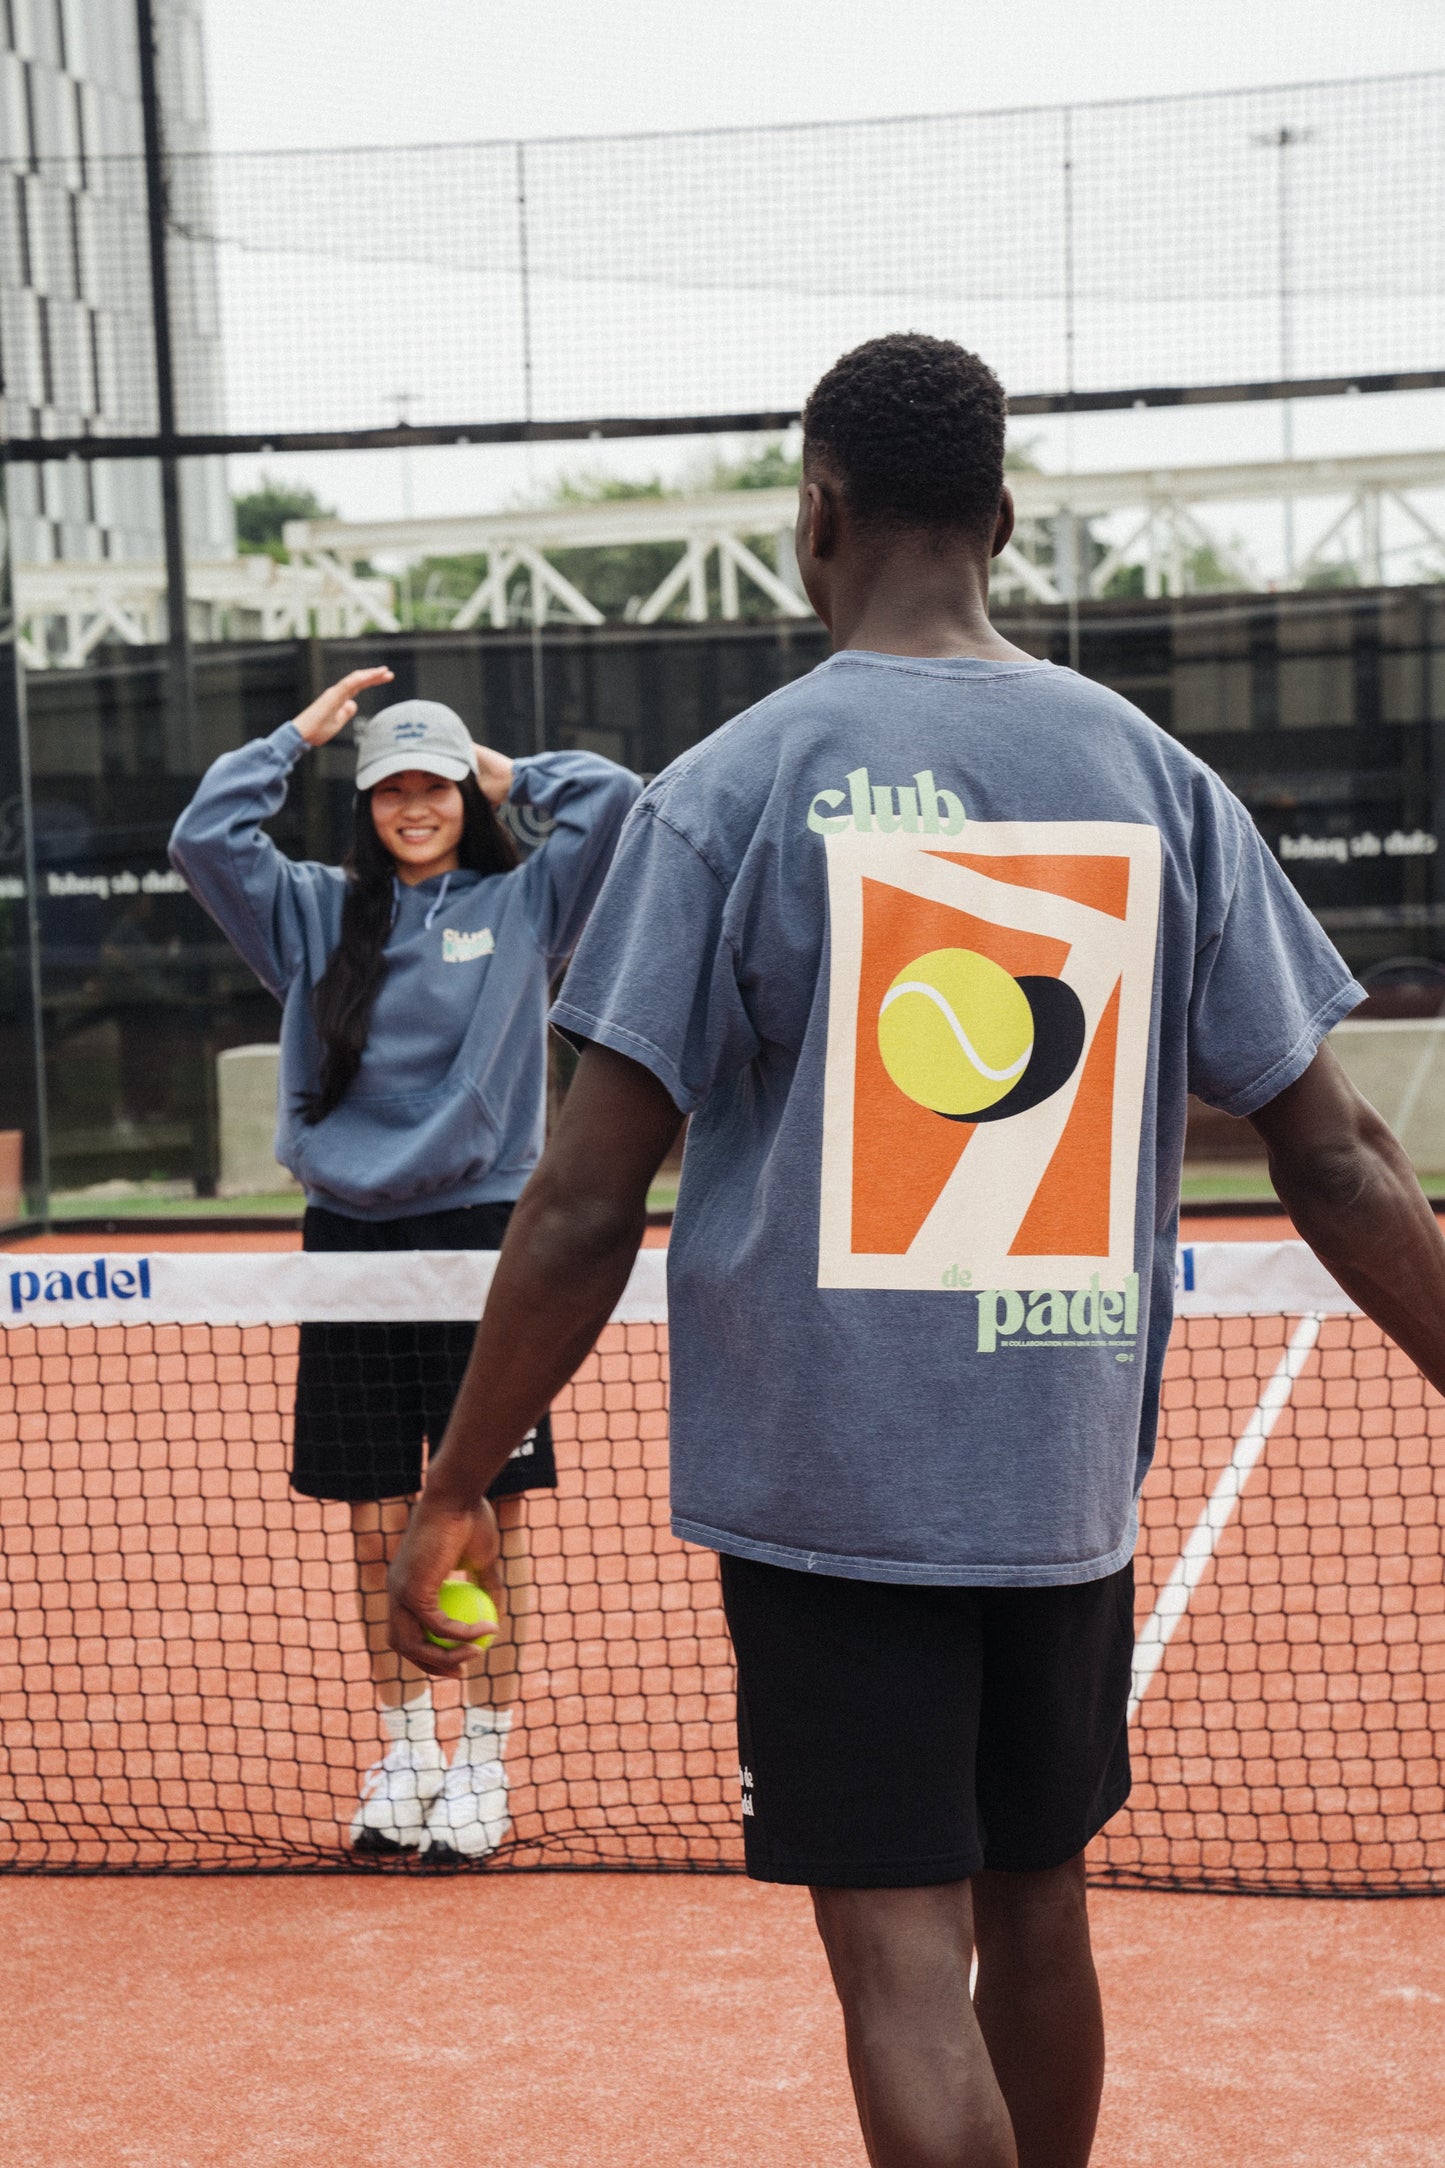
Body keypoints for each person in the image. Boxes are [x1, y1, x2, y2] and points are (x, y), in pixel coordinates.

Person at [387, 335, 1445, 2165]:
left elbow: (580, 1198)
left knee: (896, 1953)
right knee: (1039, 1904)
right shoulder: (1154, 779)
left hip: (828, 1491)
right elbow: (1341, 1156)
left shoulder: (724, 789)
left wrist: (458, 1478)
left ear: (821, 514)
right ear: (1004, 521)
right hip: (1058, 1482)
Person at [170, 670, 638, 1861]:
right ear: (366, 801)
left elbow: (617, 803)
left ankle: (482, 1763)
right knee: (379, 1522)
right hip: (349, 1241)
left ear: (460, 791)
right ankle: (407, 1755)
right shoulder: (313, 913)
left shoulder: (523, 901)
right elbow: (203, 836)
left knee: (488, 1514)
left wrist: (502, 767)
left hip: (486, 1240)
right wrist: (296, 736)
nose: (413, 803)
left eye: (431, 782)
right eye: (390, 786)